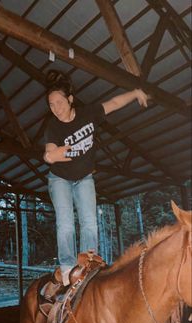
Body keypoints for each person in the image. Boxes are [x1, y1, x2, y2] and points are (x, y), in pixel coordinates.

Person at [44, 69, 148, 287]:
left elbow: (115, 102)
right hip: (59, 180)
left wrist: (136, 92)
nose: (56, 109)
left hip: (84, 178)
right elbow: (50, 151)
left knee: (90, 223)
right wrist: (52, 155)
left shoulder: (88, 114)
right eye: (51, 105)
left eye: (60, 102)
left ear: (70, 100)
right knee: (66, 224)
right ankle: (66, 266)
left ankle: (88, 263)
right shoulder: (52, 126)